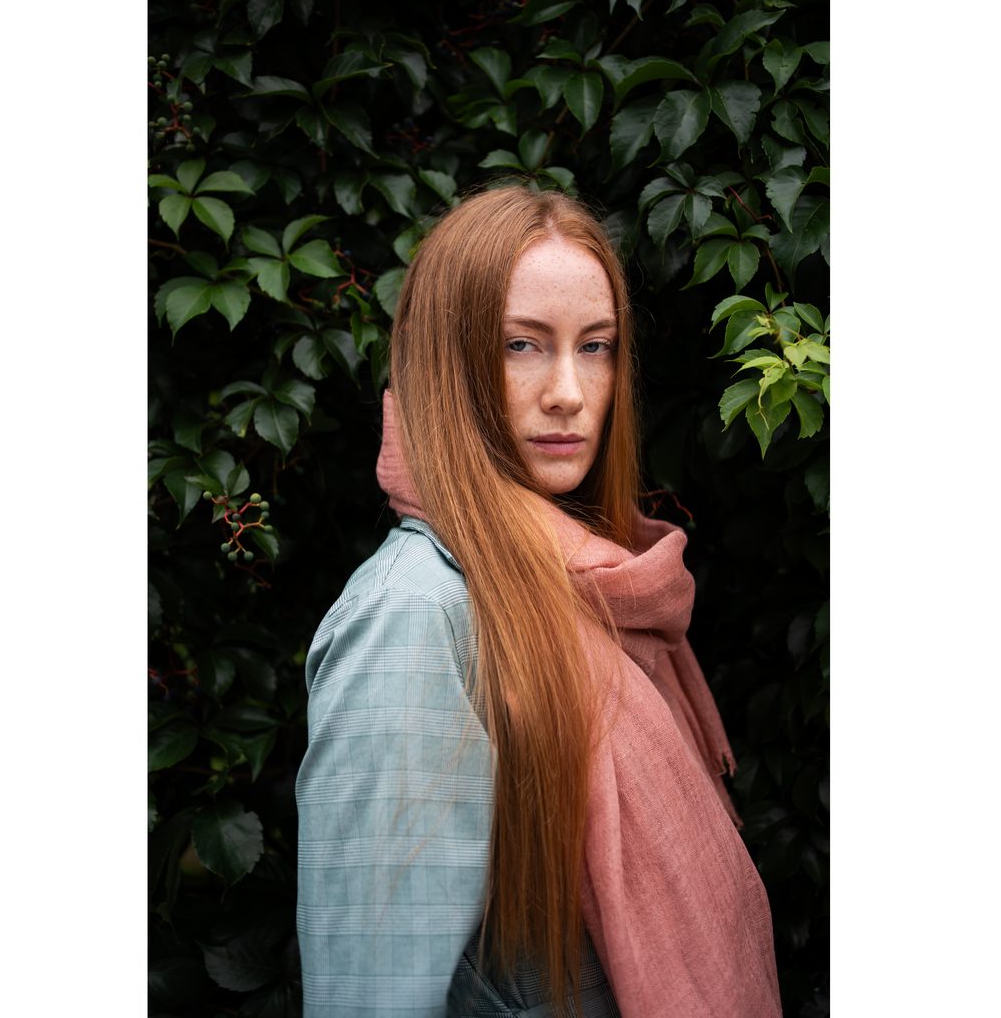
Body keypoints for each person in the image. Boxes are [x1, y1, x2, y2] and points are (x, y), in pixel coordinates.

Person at [295, 186, 782, 1017]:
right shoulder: (415, 617)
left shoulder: (597, 582)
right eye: (521, 345)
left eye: (595, 347)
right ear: (446, 364)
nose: (569, 391)